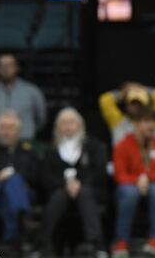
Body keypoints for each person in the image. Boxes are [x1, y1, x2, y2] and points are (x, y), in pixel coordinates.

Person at [32, 107, 108, 258]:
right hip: (59, 192)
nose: (67, 126)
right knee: (59, 196)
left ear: (80, 125)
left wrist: (79, 183)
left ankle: (96, 244)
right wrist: (65, 184)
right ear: (57, 127)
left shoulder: (93, 146)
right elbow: (45, 176)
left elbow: (99, 172)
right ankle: (43, 244)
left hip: (89, 192)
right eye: (63, 123)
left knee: (85, 193)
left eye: (71, 122)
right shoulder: (51, 149)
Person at [112, 106, 155, 258]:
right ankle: (121, 241)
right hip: (130, 186)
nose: (151, 125)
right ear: (135, 124)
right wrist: (138, 180)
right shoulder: (123, 145)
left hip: (152, 184)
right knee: (129, 192)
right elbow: (119, 175)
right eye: (146, 121)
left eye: (153, 121)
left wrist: (147, 178)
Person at [0, 112, 39, 256]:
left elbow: (37, 178)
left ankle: (10, 238)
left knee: (14, 182)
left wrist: (15, 179)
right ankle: (25, 218)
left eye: (10, 128)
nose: (6, 132)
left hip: (24, 193)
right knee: (12, 182)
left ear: (18, 131)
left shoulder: (28, 153)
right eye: (3, 128)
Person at [0, 53, 47, 143]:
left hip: (25, 142)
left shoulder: (32, 92)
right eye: (2, 65)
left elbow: (41, 119)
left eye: (9, 65)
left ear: (17, 67)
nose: (5, 69)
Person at [100, 82, 155, 147]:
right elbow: (105, 100)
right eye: (133, 103)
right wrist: (122, 93)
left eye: (140, 103)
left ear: (146, 104)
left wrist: (143, 89)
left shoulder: (153, 121)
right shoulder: (118, 121)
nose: (136, 106)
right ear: (126, 104)